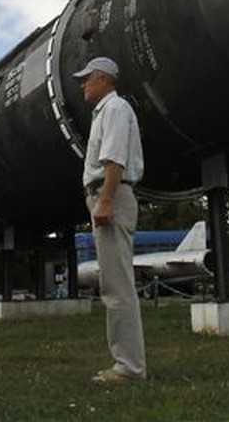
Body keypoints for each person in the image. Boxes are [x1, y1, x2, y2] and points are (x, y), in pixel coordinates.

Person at [74, 55, 147, 384]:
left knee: (117, 286)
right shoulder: (106, 112)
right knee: (114, 284)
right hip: (108, 195)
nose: (82, 83)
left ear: (104, 78)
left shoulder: (116, 110)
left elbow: (114, 158)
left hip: (111, 196)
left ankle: (128, 368)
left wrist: (104, 200)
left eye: (87, 77)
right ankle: (126, 363)